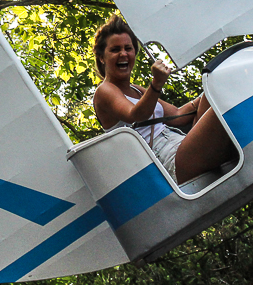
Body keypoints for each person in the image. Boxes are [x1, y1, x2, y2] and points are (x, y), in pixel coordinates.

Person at [92, 15, 236, 185]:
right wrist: (157, 83)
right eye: (115, 49)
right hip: (169, 161)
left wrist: (211, 88)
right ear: (102, 57)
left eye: (128, 48)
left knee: (219, 91)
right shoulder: (105, 90)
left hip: (180, 143)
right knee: (227, 106)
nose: (123, 53)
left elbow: (179, 114)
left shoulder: (137, 89)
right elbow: (135, 114)